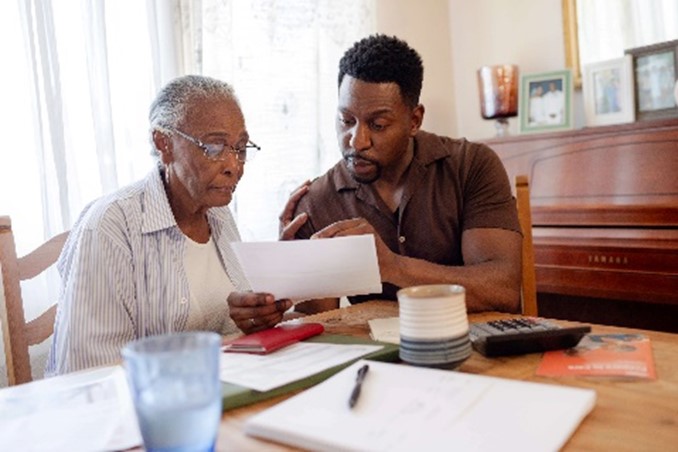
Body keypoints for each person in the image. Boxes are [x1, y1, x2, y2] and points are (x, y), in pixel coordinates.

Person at [46, 75, 293, 376]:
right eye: (214, 147)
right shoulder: (110, 227)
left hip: (219, 389)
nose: (233, 165)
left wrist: (252, 316)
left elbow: (226, 330)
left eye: (240, 148)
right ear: (163, 143)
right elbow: (91, 372)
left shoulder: (219, 214)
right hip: (142, 409)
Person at [280, 35, 522, 315]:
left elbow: (502, 291)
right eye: (346, 121)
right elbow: (321, 324)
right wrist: (289, 271)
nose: (357, 141)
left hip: (471, 347)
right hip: (377, 357)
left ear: (414, 120)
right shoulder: (317, 202)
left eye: (378, 124)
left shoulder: (471, 165)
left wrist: (392, 266)